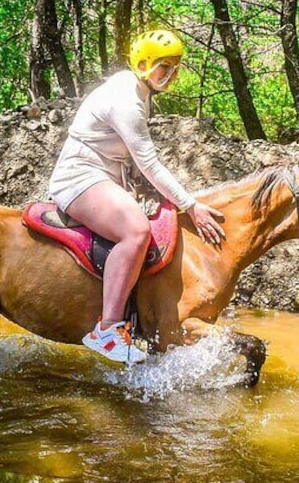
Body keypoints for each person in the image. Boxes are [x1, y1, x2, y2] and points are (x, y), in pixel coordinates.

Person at [48, 29, 226, 364]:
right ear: (143, 64)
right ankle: (107, 329)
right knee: (136, 231)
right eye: (164, 67)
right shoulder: (126, 101)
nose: (170, 76)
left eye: (175, 68)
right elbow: (149, 163)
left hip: (104, 176)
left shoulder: (137, 89)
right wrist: (192, 206)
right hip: (79, 178)